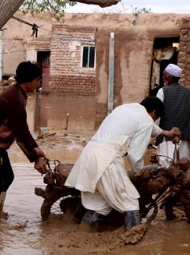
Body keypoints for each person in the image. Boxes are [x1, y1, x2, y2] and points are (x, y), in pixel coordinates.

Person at [64, 97, 181, 230]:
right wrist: (140, 171)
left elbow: (149, 126)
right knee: (130, 202)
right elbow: (134, 155)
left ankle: (81, 237)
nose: (153, 121)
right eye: (155, 118)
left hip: (89, 155)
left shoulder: (125, 109)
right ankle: (132, 242)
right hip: (107, 160)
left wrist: (166, 133)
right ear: (154, 112)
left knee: (100, 205)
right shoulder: (146, 120)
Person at [0, 61, 49, 224]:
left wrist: (36, 149)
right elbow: (20, 134)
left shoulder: (18, 94)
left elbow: (23, 128)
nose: (38, 83)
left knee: (7, 177)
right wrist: (35, 158)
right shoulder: (14, 99)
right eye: (37, 79)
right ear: (29, 80)